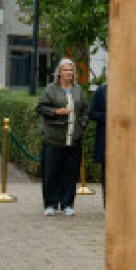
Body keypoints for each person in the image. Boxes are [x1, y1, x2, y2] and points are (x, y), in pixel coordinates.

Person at [36, 59, 89, 217]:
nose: (69, 73)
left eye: (71, 71)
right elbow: (40, 107)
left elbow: (86, 110)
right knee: (51, 172)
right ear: (59, 72)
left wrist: (83, 125)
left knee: (71, 173)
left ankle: (67, 204)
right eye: (66, 70)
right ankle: (51, 204)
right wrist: (56, 112)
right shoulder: (50, 90)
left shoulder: (78, 90)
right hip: (54, 138)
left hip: (74, 139)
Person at [88, 82, 107, 206]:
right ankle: (108, 203)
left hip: (126, 142)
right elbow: (92, 113)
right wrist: (108, 116)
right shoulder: (101, 91)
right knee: (107, 174)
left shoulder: (129, 89)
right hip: (106, 139)